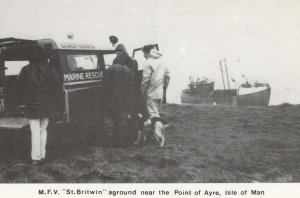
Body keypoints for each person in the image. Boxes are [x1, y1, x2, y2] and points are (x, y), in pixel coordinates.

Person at [16, 47, 59, 165]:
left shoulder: (25, 70)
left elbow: (18, 86)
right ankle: (43, 155)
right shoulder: (49, 69)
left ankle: (36, 158)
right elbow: (56, 84)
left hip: (32, 104)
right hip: (46, 104)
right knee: (43, 129)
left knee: (34, 130)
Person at [112, 44, 146, 144]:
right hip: (126, 91)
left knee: (130, 114)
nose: (117, 54)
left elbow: (131, 77)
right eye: (116, 52)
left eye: (118, 52)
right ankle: (131, 136)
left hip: (127, 91)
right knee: (128, 114)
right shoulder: (124, 61)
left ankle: (133, 136)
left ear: (122, 52)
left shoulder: (125, 61)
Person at [104, 63, 136, 147]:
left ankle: (110, 142)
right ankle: (122, 142)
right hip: (123, 99)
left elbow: (105, 84)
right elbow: (131, 87)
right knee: (122, 120)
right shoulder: (128, 70)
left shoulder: (110, 69)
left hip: (111, 98)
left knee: (110, 120)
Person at [141, 45, 170, 127]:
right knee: (157, 114)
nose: (144, 55)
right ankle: (157, 134)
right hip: (160, 93)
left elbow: (145, 80)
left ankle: (158, 136)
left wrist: (142, 93)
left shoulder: (148, 62)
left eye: (144, 53)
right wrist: (164, 89)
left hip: (150, 94)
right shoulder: (163, 61)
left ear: (147, 53)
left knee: (154, 118)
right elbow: (167, 77)